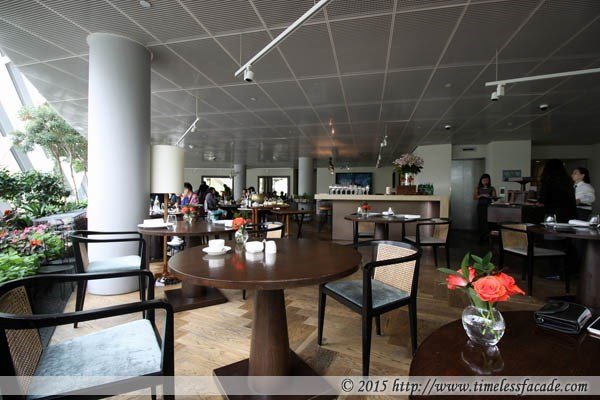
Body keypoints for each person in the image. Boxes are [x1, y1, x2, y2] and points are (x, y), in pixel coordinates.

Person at [473, 173, 497, 244]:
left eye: (487, 180)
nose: (485, 181)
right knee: (481, 222)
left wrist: (491, 197)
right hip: (481, 207)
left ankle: (488, 238)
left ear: (489, 181)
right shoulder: (478, 188)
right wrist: (482, 195)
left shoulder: (492, 188)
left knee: (488, 222)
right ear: (481, 180)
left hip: (489, 207)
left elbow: (495, 198)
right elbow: (474, 197)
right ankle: (481, 237)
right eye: (484, 180)